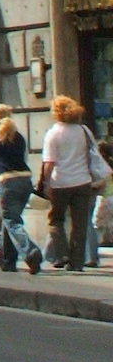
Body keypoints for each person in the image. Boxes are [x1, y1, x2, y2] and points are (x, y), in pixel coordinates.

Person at [40, 93, 111, 271]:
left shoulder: (53, 133)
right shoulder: (83, 130)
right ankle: (77, 262)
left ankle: (62, 253)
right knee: (80, 224)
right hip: (82, 183)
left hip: (60, 183)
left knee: (56, 220)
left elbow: (49, 163)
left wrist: (44, 183)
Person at [0, 104, 44, 274]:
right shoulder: (18, 135)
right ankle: (7, 260)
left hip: (7, 181)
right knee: (9, 218)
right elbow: (24, 156)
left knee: (11, 220)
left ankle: (30, 251)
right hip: (25, 179)